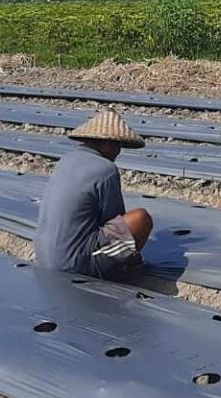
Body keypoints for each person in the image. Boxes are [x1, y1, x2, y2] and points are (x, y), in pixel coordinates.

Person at [34, 109, 153, 279]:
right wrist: (133, 255)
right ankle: (122, 270)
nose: (118, 152)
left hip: (43, 258)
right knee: (140, 219)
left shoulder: (65, 160)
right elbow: (115, 221)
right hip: (74, 264)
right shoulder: (106, 170)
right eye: (117, 145)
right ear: (106, 143)